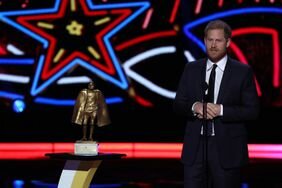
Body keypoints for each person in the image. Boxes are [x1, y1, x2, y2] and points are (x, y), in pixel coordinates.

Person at [173, 20, 260, 188]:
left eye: (218, 40)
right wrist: (194, 107)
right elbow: (178, 104)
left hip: (227, 150)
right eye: (209, 40)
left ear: (228, 42)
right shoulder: (191, 69)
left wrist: (221, 110)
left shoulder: (242, 72)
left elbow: (252, 111)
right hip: (195, 148)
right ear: (204, 41)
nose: (213, 45)